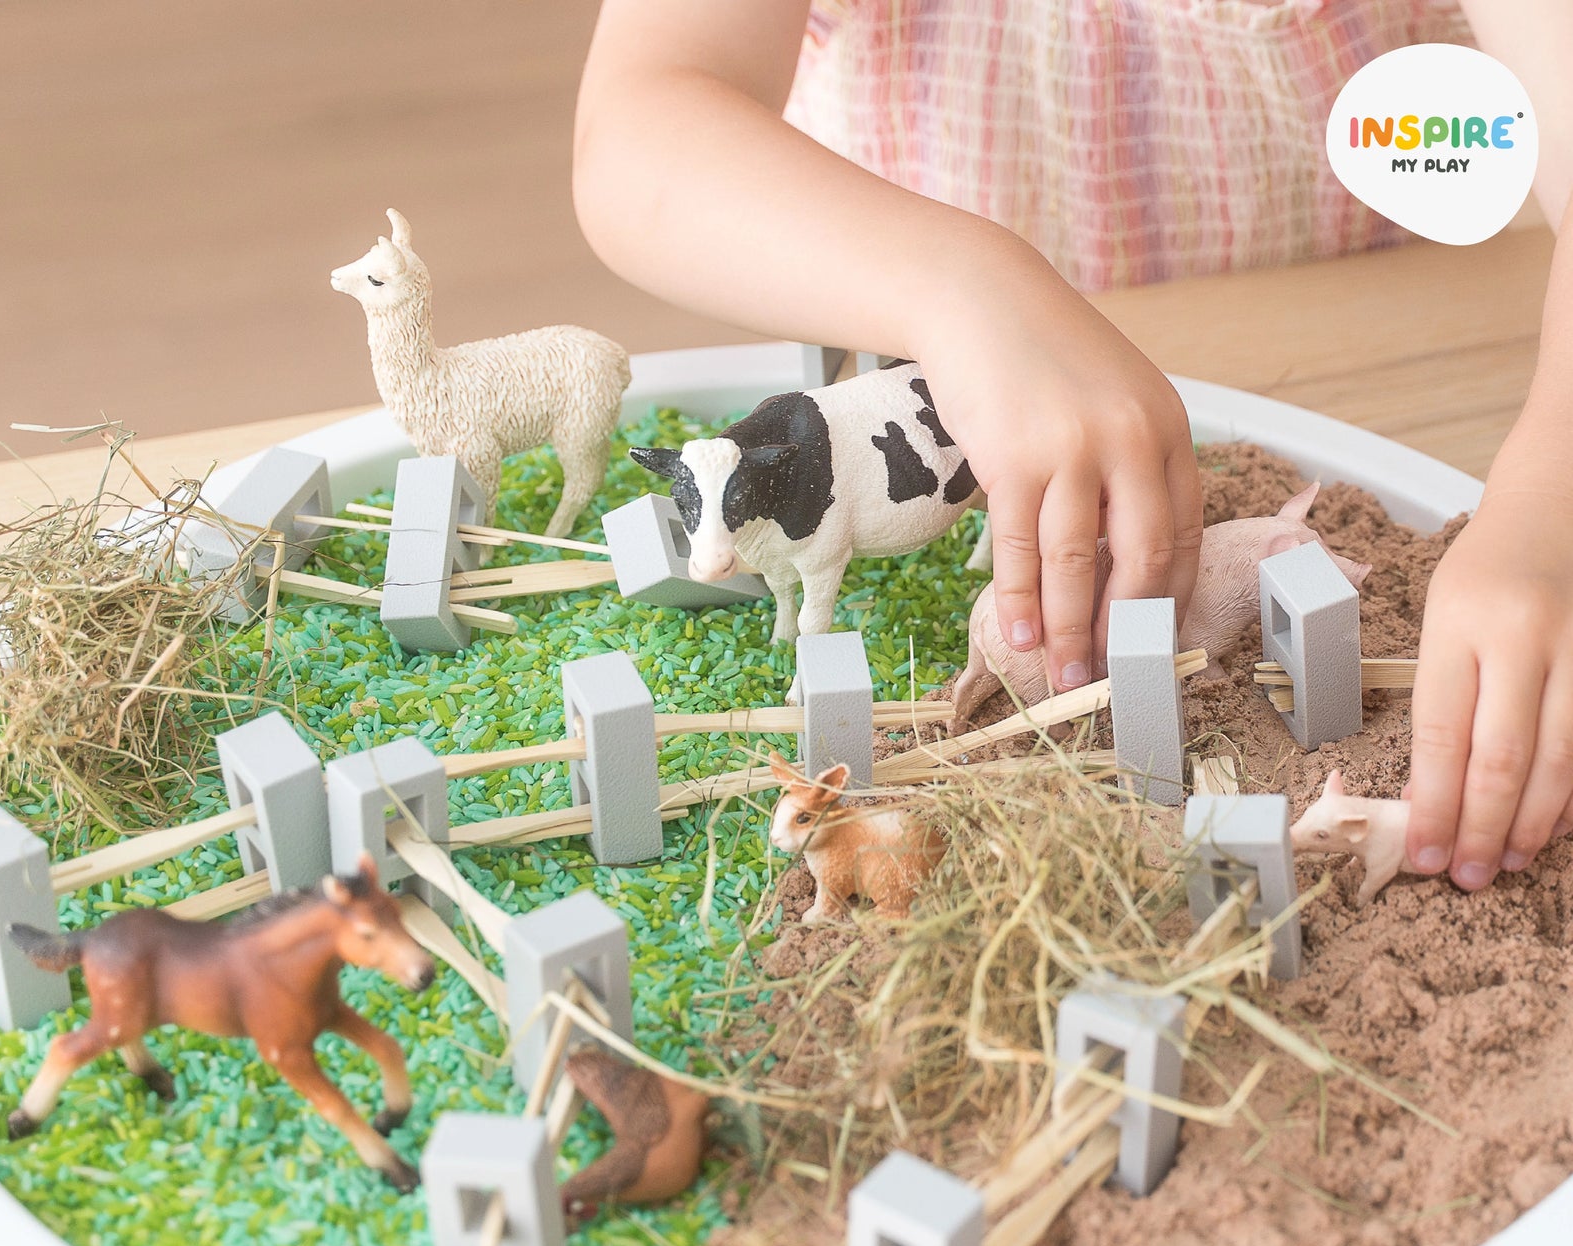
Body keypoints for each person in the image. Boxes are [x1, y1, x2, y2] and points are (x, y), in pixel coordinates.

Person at [573, 0, 1573, 893]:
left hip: (1361, 362)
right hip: (919, 322)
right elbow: (641, 128)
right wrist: (964, 286)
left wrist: (1547, 491)